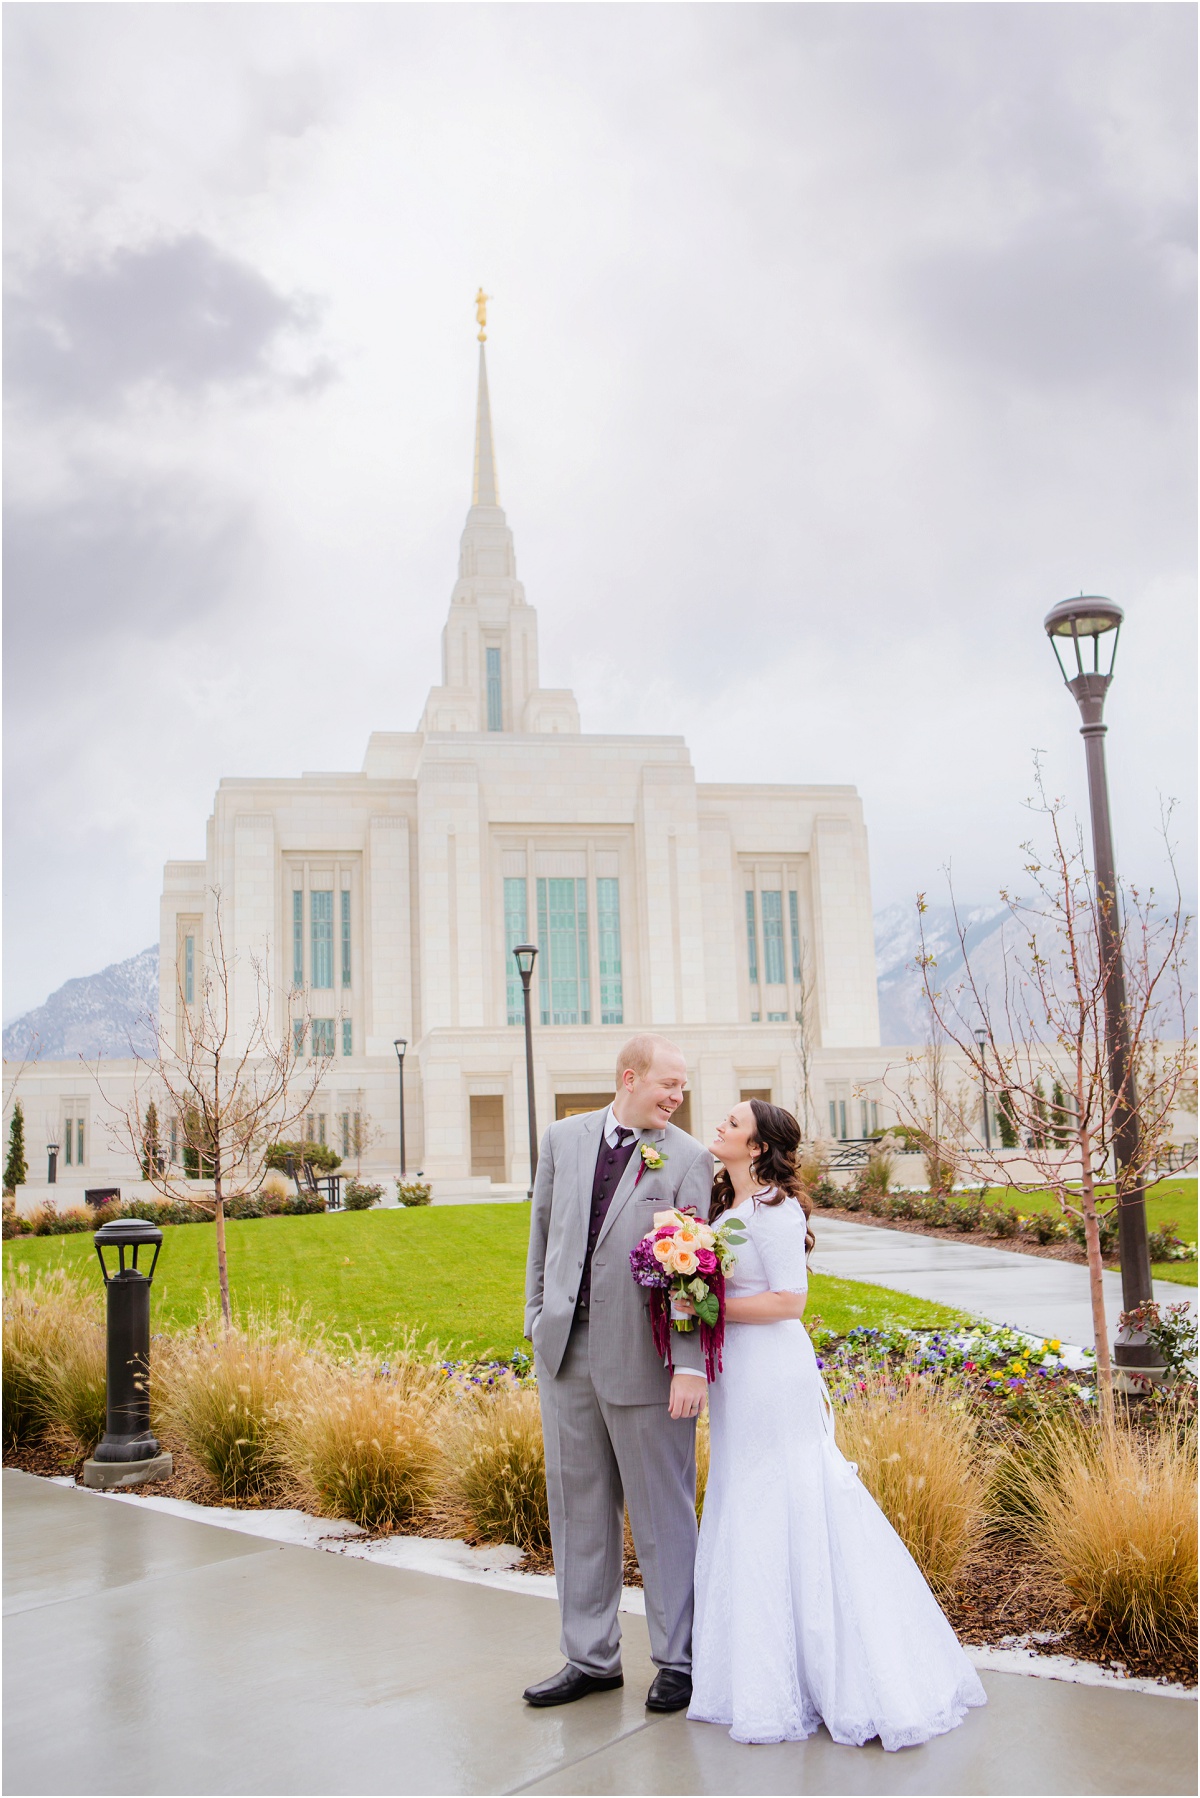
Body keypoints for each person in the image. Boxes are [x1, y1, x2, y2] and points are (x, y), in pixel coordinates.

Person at [683, 1099, 987, 1750]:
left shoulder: (776, 1210)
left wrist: (706, 1306)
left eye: (734, 1122)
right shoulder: (731, 1211)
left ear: (759, 1147)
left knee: (784, 1496)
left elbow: (790, 1299)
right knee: (749, 1496)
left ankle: (841, 1670)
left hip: (771, 1373)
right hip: (739, 1375)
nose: (721, 1126)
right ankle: (766, 1668)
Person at [522, 1035, 713, 1713]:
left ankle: (679, 1659)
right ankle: (590, 1658)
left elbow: (693, 1268)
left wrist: (688, 1363)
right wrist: (538, 1318)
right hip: (565, 1360)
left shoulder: (689, 1159)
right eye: (668, 1083)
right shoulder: (562, 1140)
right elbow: (542, 1233)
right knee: (579, 1515)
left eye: (683, 1087)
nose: (677, 1096)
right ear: (629, 1078)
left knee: (663, 1514)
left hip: (645, 1364)